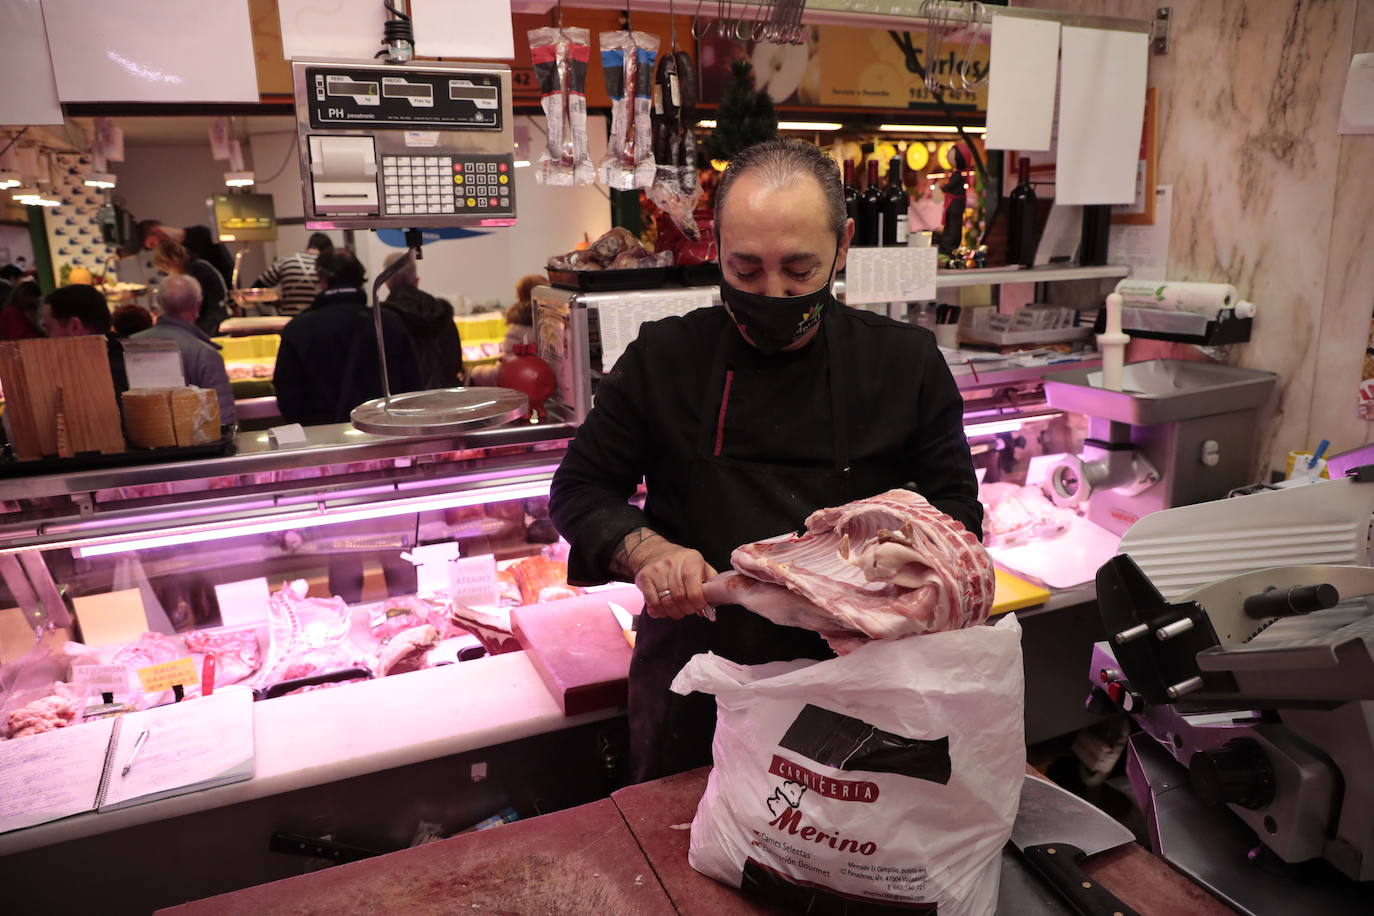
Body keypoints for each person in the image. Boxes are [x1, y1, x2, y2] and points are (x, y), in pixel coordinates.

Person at [548, 139, 982, 783]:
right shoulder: (667, 356)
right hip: (696, 685)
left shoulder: (906, 364)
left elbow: (959, 519)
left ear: (844, 246)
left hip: (856, 686)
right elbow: (580, 489)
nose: (772, 292)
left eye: (800, 271)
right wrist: (647, 552)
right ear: (715, 248)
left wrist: (888, 572)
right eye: (745, 270)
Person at [273, 248, 422, 426]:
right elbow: (412, 388)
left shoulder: (297, 330)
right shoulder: (388, 322)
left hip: (324, 440)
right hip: (384, 434)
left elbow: (288, 397)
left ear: (322, 280)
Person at [133, 275, 237, 426]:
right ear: (198, 305)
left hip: (140, 443)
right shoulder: (205, 354)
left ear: (160, 303)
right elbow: (223, 421)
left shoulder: (131, 345)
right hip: (196, 447)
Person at [380, 251, 463, 389]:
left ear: (387, 283)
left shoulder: (384, 318)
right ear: (416, 279)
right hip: (445, 397)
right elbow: (455, 363)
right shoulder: (440, 311)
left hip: (404, 402)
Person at [37, 284, 129, 393]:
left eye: (48, 328)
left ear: (75, 327)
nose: (46, 339)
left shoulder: (91, 380)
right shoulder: (129, 356)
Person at [467, 273, 545, 386]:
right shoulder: (550, 325)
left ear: (518, 296)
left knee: (476, 372)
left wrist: (475, 372)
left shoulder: (516, 330)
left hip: (521, 378)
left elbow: (509, 368)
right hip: (540, 377)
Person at [152, 239, 228, 337]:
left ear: (169, 261)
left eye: (165, 268)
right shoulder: (196, 268)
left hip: (211, 324)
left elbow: (191, 304)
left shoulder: (199, 271)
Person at [251, 232, 334, 317]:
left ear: (308, 246)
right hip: (318, 319)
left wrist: (274, 302)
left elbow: (257, 289)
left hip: (290, 321)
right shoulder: (327, 265)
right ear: (329, 250)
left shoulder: (286, 261)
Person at [138, 220, 234, 286]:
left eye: (153, 243)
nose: (157, 248)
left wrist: (233, 301)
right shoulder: (173, 254)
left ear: (157, 231)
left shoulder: (202, 234)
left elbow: (227, 266)